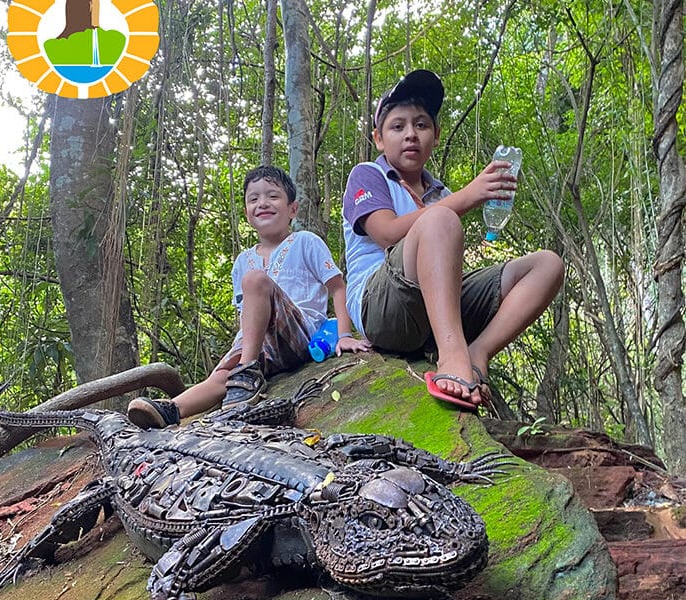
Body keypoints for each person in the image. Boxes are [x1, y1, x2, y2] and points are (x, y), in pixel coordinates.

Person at [342, 69, 564, 410]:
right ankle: (452, 357)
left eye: (421, 125)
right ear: (379, 139)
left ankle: (478, 353)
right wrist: (467, 196)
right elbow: (385, 233)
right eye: (397, 127)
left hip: (432, 316)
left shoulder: (439, 193)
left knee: (547, 264)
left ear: (436, 135)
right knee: (440, 219)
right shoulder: (368, 175)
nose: (410, 134)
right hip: (382, 309)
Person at [128, 165, 371, 429]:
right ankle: (172, 410)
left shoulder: (306, 241)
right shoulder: (243, 261)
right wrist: (233, 358)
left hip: (299, 334)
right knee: (222, 375)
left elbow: (337, 287)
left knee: (255, 280)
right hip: (260, 349)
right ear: (246, 213)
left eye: (273, 196)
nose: (262, 203)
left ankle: (246, 374)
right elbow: (246, 317)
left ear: (293, 209)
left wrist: (344, 335)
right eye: (254, 199)